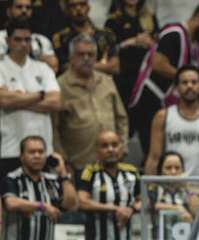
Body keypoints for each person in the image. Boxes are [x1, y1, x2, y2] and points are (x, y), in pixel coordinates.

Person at [128, 1, 199, 153]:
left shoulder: (194, 44)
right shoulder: (174, 33)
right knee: (155, 154)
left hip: (168, 106)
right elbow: (158, 64)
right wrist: (191, 79)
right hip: (151, 103)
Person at [0, 137, 77, 240]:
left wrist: (63, 175)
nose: (37, 156)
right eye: (32, 152)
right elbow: (11, 203)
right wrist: (42, 206)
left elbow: (71, 205)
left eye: (41, 152)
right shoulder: (12, 179)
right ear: (22, 156)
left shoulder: (52, 180)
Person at [54, 34, 129, 171]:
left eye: (90, 54)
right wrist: (63, 160)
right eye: (81, 54)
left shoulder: (107, 81)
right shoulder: (59, 86)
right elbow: (54, 128)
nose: (86, 59)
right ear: (71, 58)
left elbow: (121, 118)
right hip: (78, 164)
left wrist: (122, 147)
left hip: (110, 162)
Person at [77, 130, 140, 240]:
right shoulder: (90, 172)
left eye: (114, 145)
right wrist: (114, 209)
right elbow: (82, 201)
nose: (110, 149)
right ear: (97, 151)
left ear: (121, 148)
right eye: (104, 146)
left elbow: (143, 200)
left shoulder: (131, 172)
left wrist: (130, 210)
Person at [144, 65, 199, 178]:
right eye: (184, 82)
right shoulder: (162, 116)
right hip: (173, 183)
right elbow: (154, 157)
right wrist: (149, 187)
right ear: (176, 88)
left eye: (194, 82)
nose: (189, 86)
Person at [0, 19, 60, 176]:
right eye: (18, 39)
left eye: (27, 40)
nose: (23, 44)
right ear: (7, 41)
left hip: (42, 150)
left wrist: (17, 99)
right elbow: (3, 100)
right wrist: (39, 95)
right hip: (9, 148)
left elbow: (55, 102)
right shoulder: (1, 67)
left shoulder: (43, 68)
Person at [148, 151, 199, 240]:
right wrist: (177, 208)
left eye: (177, 168)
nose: (173, 172)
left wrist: (187, 187)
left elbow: (198, 210)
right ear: (160, 171)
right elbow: (152, 205)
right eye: (168, 168)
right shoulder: (154, 188)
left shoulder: (187, 190)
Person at [104, 0, 159, 112]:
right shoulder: (113, 21)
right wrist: (129, 42)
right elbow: (107, 51)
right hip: (124, 77)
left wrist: (150, 42)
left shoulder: (150, 18)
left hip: (147, 77)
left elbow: (160, 47)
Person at [52, 0, 119, 75]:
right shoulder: (61, 38)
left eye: (82, 4)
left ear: (88, 7)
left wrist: (80, 65)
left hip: (103, 81)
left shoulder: (107, 35)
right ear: (67, 10)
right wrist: (103, 66)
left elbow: (114, 67)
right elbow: (66, 68)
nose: (78, 8)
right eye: (73, 6)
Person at [0, 0, 58, 71]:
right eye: (19, 7)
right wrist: (38, 58)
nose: (24, 11)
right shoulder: (1, 37)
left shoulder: (41, 40)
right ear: (9, 12)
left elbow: (53, 65)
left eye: (28, 8)